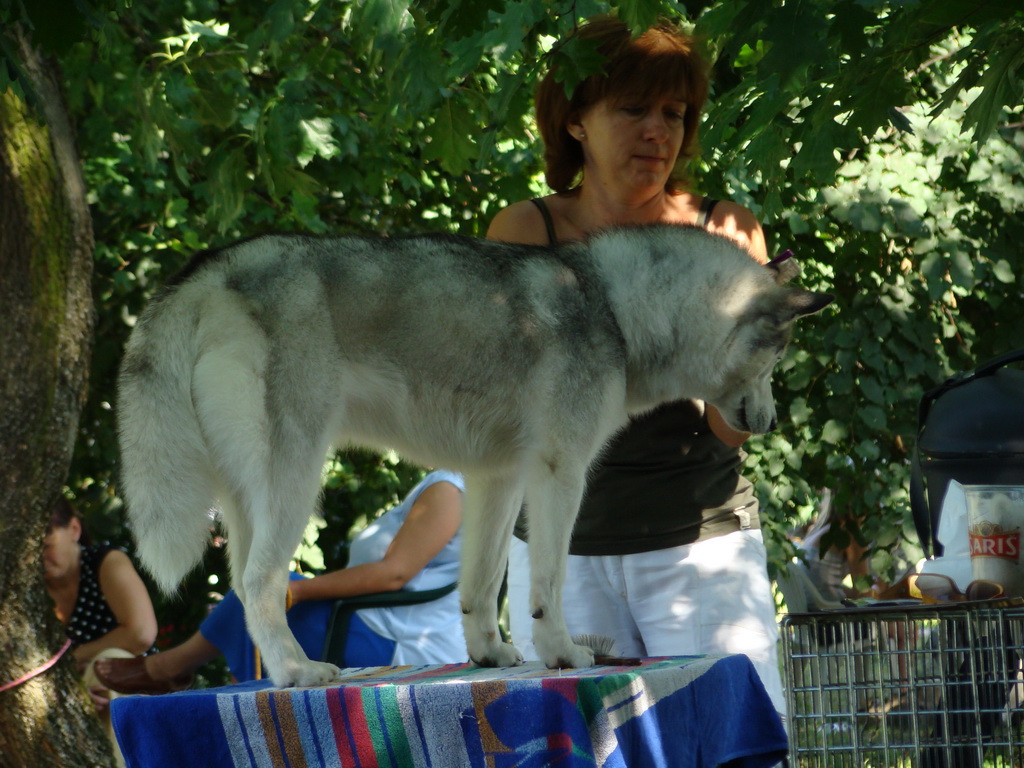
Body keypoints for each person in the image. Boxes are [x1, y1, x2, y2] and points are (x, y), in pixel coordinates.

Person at [487, 15, 785, 714]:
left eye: (674, 113)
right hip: (563, 562)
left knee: (732, 751)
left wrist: (746, 351)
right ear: (575, 121)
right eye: (632, 108)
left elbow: (728, 430)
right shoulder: (525, 230)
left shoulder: (726, 230)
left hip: (700, 553)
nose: (658, 131)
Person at [95, 470, 465, 693]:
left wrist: (297, 590)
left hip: (400, 646)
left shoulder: (449, 489)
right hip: (379, 625)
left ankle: (167, 670)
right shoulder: (452, 485)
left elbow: (393, 573)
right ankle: (173, 670)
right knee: (265, 586)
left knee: (263, 591)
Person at [44, 497, 158, 761]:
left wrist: (73, 660)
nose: (41, 557)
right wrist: (74, 691)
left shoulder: (105, 562)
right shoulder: (31, 591)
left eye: (47, 545)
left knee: (113, 664)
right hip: (66, 699)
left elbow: (140, 634)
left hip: (131, 690)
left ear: (74, 529)